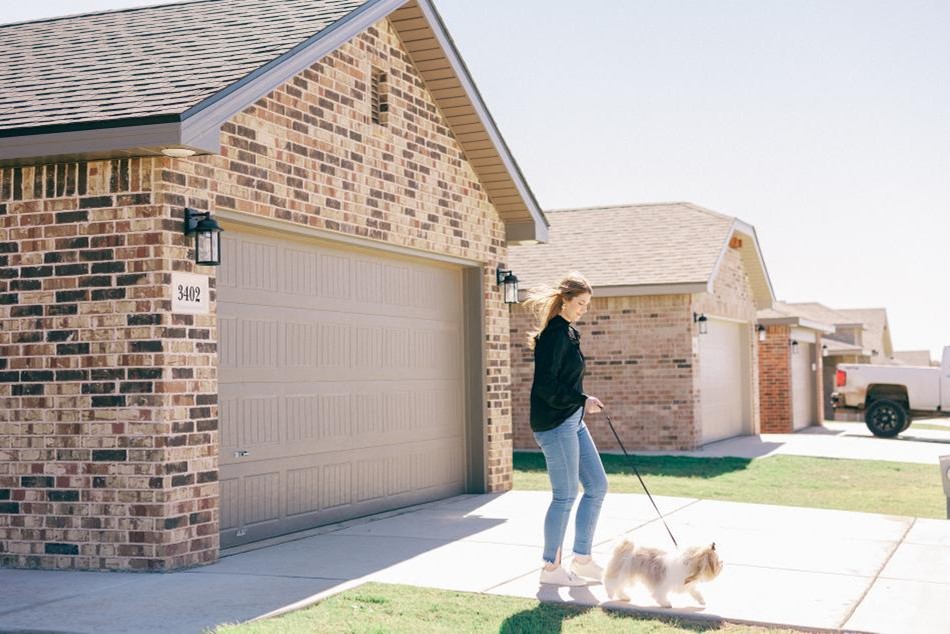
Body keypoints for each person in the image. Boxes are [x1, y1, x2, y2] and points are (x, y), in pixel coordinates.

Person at [523, 271, 608, 586]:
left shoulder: (570, 333)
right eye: (581, 303)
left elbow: (566, 382)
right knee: (565, 495)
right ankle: (551, 568)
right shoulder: (554, 335)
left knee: (597, 486)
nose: (585, 308)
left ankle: (583, 559)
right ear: (565, 300)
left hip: (572, 420)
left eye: (588, 303)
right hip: (555, 424)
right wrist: (581, 400)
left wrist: (583, 400)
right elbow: (545, 386)